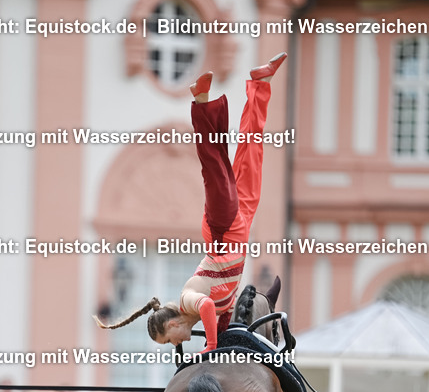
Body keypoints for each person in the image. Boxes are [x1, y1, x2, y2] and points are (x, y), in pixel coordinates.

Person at [94, 53, 288, 352]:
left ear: (173, 324)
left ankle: (201, 101)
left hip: (223, 233)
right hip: (242, 227)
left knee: (215, 167)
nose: (179, 343)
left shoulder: (188, 299)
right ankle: (260, 83)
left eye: (171, 340)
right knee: (252, 155)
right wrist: (222, 341)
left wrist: (210, 344)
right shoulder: (199, 312)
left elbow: (210, 306)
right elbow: (223, 317)